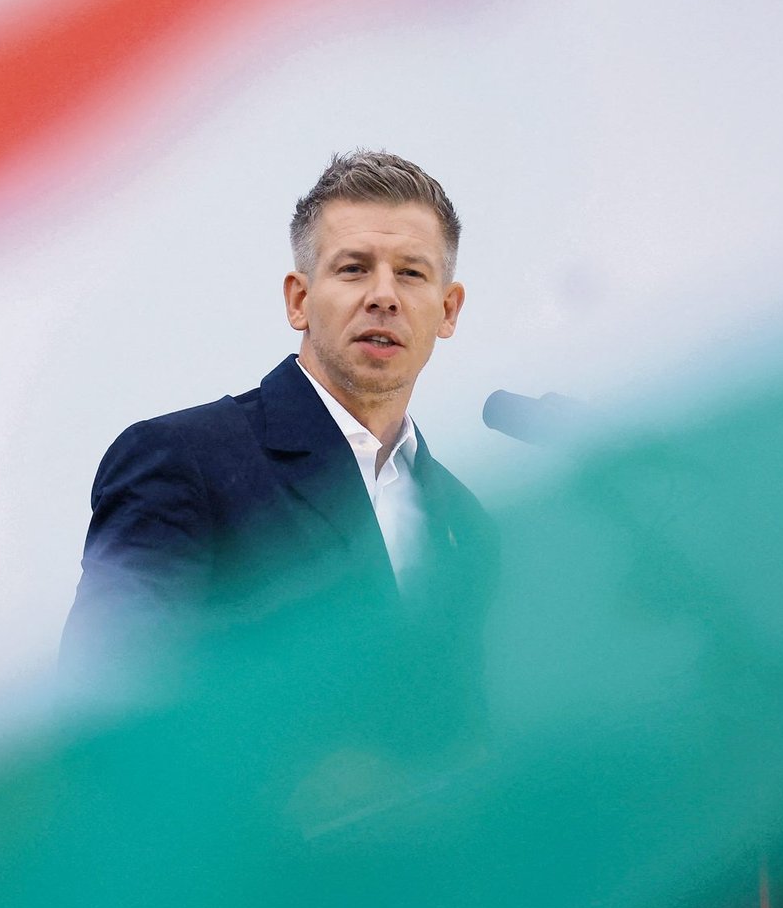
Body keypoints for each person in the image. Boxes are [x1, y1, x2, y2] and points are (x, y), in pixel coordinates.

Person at [61, 150, 498, 724]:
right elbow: (104, 706)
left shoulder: (465, 521)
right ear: (299, 300)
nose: (384, 296)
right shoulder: (183, 460)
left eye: (411, 273)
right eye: (353, 269)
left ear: (448, 310)